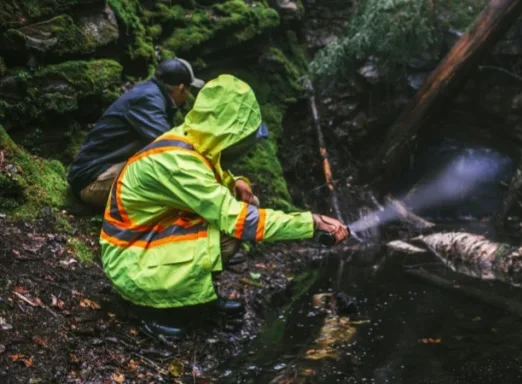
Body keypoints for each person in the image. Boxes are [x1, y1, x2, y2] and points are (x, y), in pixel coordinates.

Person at [99, 74, 349, 337]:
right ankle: (152, 309)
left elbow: (207, 178)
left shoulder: (193, 139)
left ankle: (196, 297)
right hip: (130, 260)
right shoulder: (178, 164)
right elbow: (242, 220)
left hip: (145, 238)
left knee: (222, 231)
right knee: (228, 232)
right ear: (227, 130)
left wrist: (235, 182)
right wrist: (312, 223)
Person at [68, 58, 259, 210]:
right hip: (92, 181)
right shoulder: (148, 101)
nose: (188, 95)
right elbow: (176, 151)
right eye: (189, 89)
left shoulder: (151, 95)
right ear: (181, 88)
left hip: (99, 173)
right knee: (174, 181)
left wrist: (231, 180)